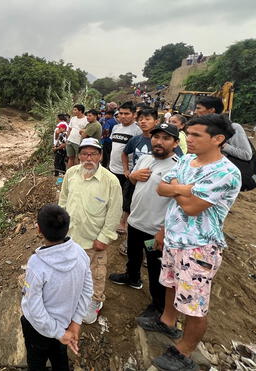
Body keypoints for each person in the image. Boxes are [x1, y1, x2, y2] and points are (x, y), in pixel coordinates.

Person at [138, 114, 241, 371]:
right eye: (189, 133)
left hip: (199, 246)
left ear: (218, 139)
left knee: (194, 303)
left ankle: (184, 351)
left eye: (196, 135)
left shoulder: (226, 172)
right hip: (174, 237)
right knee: (172, 284)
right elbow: (161, 188)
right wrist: (185, 189)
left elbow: (193, 208)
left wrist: (177, 189)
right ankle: (168, 321)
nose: (189, 139)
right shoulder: (186, 160)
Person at [109, 123, 181, 320]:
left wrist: (163, 231)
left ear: (175, 143)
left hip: (154, 230)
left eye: (166, 138)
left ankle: (158, 306)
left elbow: (178, 205)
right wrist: (133, 175)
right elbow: (133, 181)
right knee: (133, 254)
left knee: (155, 266)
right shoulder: (145, 158)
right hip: (135, 222)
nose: (159, 142)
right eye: (156, 137)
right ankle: (132, 277)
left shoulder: (177, 167)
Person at [21, 204, 92, 371]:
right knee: (60, 358)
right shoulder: (80, 253)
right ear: (67, 228)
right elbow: (87, 290)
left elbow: (35, 308)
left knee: (36, 361)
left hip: (38, 330)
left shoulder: (37, 265)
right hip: (65, 322)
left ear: (39, 229)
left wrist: (59, 332)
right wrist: (75, 323)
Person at [58, 138, 122, 324]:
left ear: (100, 156)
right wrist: (61, 228)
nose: (89, 158)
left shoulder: (110, 181)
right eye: (85, 153)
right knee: (71, 269)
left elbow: (114, 212)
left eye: (93, 154)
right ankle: (74, 296)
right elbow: (63, 201)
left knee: (96, 273)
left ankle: (94, 302)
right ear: (78, 156)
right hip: (70, 237)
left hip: (94, 240)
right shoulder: (71, 174)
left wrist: (105, 237)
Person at [196, 96, 256, 191]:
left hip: (222, 179)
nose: (195, 111)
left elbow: (246, 155)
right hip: (204, 175)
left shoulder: (234, 128)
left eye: (198, 108)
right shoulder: (202, 127)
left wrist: (222, 145)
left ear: (211, 110)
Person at [108, 102, 142, 234]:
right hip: (113, 168)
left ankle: (123, 223)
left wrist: (130, 170)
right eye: (121, 113)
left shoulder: (137, 131)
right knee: (113, 195)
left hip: (128, 171)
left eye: (126, 113)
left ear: (134, 115)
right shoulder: (116, 128)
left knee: (127, 198)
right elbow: (114, 147)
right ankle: (111, 219)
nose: (123, 116)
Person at [65, 104, 88, 168]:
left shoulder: (86, 120)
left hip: (78, 142)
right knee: (70, 157)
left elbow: (87, 132)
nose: (73, 111)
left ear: (80, 111)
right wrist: (67, 139)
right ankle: (69, 173)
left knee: (78, 158)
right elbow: (69, 129)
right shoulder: (73, 118)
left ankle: (78, 174)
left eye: (75, 110)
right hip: (70, 140)